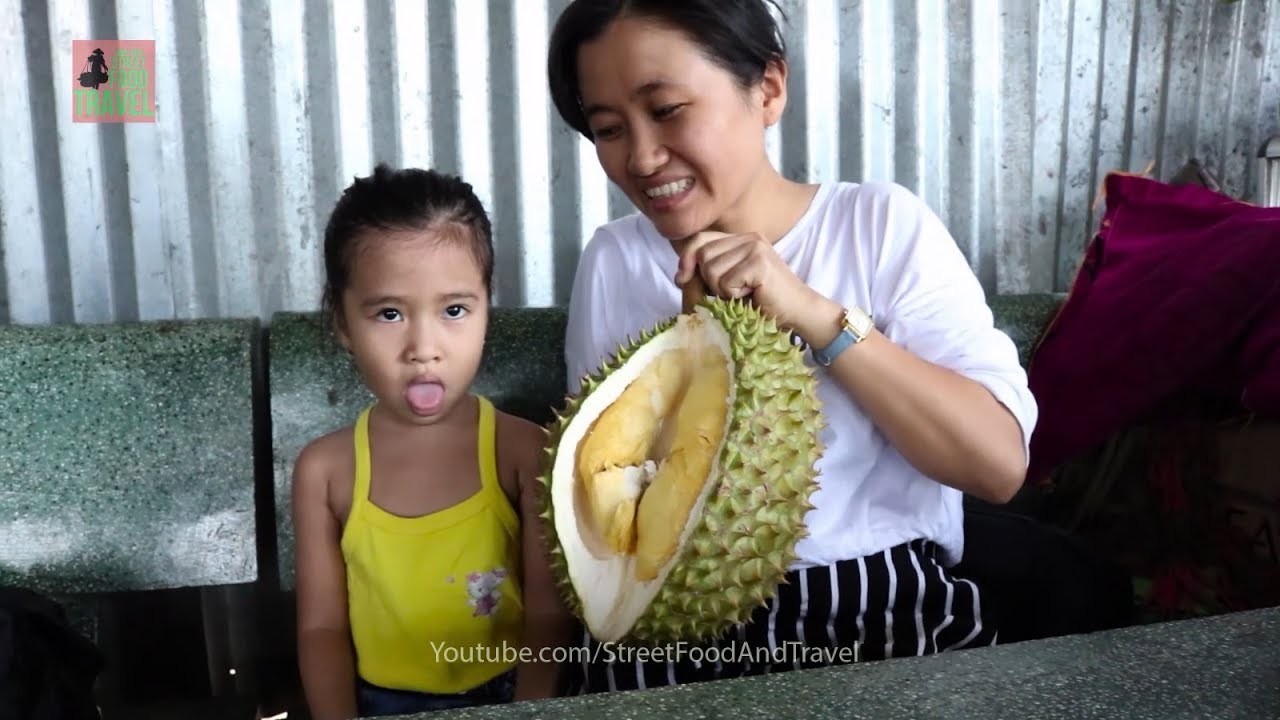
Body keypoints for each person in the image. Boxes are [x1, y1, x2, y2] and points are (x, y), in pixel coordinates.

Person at [547, 0, 1040, 692]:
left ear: (768, 89)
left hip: (878, 609)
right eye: (607, 129)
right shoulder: (614, 262)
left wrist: (813, 313)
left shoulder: (881, 228)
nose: (642, 157)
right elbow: (608, 506)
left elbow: (996, 465)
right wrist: (692, 351)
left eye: (667, 110)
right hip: (672, 616)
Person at [291, 164, 572, 717]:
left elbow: (548, 615)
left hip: (509, 699)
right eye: (390, 313)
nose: (424, 347)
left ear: (487, 308)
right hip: (380, 704)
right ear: (343, 321)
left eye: (454, 311)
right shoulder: (326, 471)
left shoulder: (524, 453)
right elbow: (321, 627)